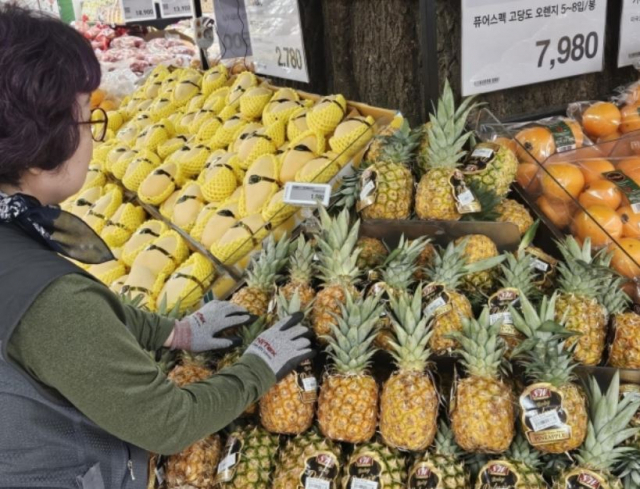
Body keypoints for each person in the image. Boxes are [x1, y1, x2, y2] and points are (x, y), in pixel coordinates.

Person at [0, 6, 314, 488]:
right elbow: (168, 424)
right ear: (45, 143)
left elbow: (75, 332)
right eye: (87, 120)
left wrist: (173, 334)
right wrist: (260, 364)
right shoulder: (51, 301)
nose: (93, 137)